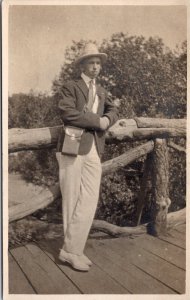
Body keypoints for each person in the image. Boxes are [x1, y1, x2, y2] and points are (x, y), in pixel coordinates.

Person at [56, 43, 119, 271]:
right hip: (72, 145)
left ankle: (70, 249)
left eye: (98, 63)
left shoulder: (101, 91)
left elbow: (113, 110)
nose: (95, 67)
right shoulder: (70, 86)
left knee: (90, 198)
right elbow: (67, 113)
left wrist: (107, 120)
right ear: (82, 64)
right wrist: (96, 120)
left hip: (93, 147)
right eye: (91, 62)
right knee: (71, 198)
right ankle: (73, 252)